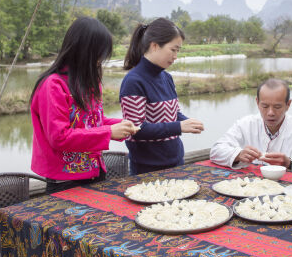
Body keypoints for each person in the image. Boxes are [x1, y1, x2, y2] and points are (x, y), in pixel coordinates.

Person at [30, 17, 137, 194]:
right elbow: (59, 137)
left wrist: (120, 125)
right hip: (66, 180)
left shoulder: (90, 83)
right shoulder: (53, 85)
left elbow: (94, 122)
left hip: (95, 172)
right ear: (84, 51)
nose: (100, 61)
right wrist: (109, 132)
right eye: (99, 55)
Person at [120, 17, 204, 175]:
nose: (175, 56)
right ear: (154, 46)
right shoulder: (133, 81)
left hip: (176, 162)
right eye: (173, 49)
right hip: (147, 169)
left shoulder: (167, 78)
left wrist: (187, 121)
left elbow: (173, 114)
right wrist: (179, 127)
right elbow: (136, 129)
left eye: (178, 51)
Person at [210, 78, 292, 170]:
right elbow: (216, 151)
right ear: (257, 102)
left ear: (288, 104)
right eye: (265, 106)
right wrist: (238, 154)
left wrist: (289, 163)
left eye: (277, 107)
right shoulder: (245, 124)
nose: (270, 113)